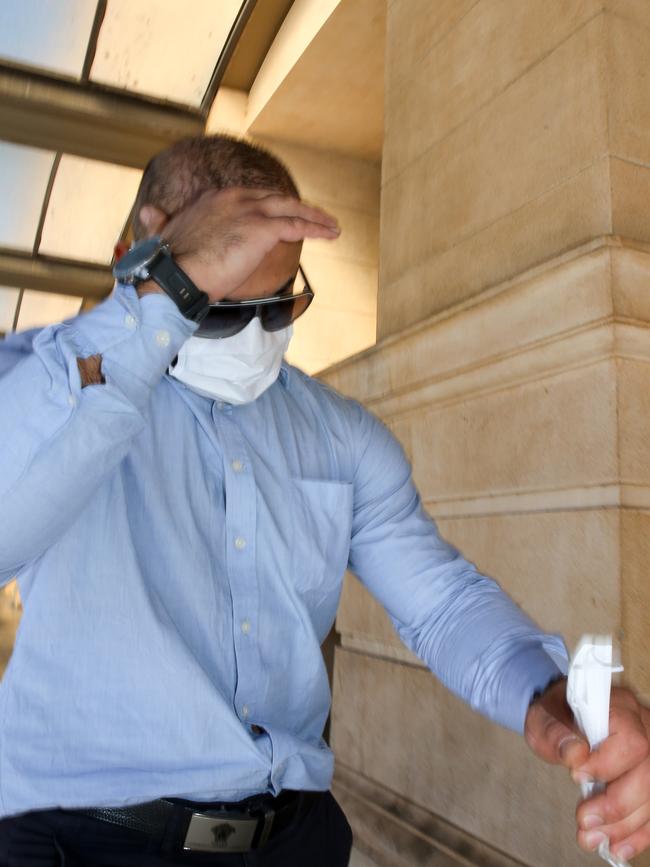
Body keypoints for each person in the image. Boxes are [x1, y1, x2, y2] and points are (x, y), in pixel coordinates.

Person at [0, 135, 647, 867]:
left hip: (292, 839)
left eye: (277, 306)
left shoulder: (341, 435)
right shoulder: (45, 384)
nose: (251, 338)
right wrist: (158, 302)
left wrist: (554, 698)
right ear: (139, 248)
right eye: (212, 307)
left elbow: (440, 603)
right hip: (80, 839)